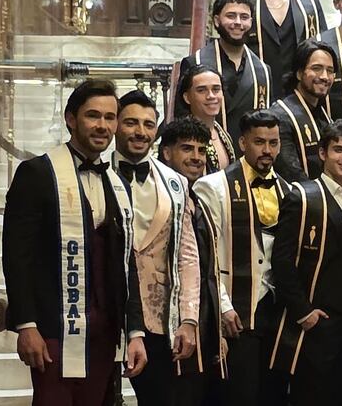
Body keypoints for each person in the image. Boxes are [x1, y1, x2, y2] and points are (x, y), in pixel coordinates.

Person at [2, 79, 147, 404]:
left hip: (105, 332)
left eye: (110, 117)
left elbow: (128, 263)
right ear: (71, 118)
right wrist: (26, 324)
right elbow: (17, 257)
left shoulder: (118, 183)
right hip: (54, 329)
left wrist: (134, 331)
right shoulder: (37, 173)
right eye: (93, 115)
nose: (102, 126)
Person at [193, 110, 291, 406]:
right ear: (242, 143)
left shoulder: (288, 190)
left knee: (272, 395)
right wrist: (223, 306)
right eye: (259, 142)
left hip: (275, 310)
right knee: (239, 394)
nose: (267, 150)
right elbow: (206, 255)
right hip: (236, 307)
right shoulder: (213, 186)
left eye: (273, 143)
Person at [269, 120, 342, 405]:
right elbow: (282, 260)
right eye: (339, 150)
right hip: (315, 326)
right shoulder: (302, 196)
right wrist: (304, 312)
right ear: (322, 153)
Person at [113, 91, 200, 405]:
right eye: (131, 123)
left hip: (160, 319)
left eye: (148, 124)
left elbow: (187, 255)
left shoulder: (175, 182)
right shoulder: (96, 174)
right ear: (115, 125)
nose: (140, 131)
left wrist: (188, 319)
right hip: (107, 313)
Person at [158, 117, 225, 401]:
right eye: (187, 149)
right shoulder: (159, 197)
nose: (196, 157)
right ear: (166, 152)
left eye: (201, 150)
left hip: (205, 321)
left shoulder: (200, 198)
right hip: (168, 323)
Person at [176, 0, 272, 149]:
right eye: (231, 16)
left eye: (244, 17)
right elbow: (181, 119)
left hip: (248, 157)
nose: (238, 22)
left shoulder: (263, 71)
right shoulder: (194, 63)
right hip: (207, 153)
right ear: (216, 20)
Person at [271, 40, 336, 182]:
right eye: (317, 68)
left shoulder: (322, 114)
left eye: (330, 71)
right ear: (299, 73)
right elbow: (290, 173)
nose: (325, 77)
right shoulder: (280, 116)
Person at [177, 65, 237, 173]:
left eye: (216, 89)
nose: (211, 96)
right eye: (201, 90)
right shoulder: (181, 136)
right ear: (187, 97)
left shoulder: (222, 132)